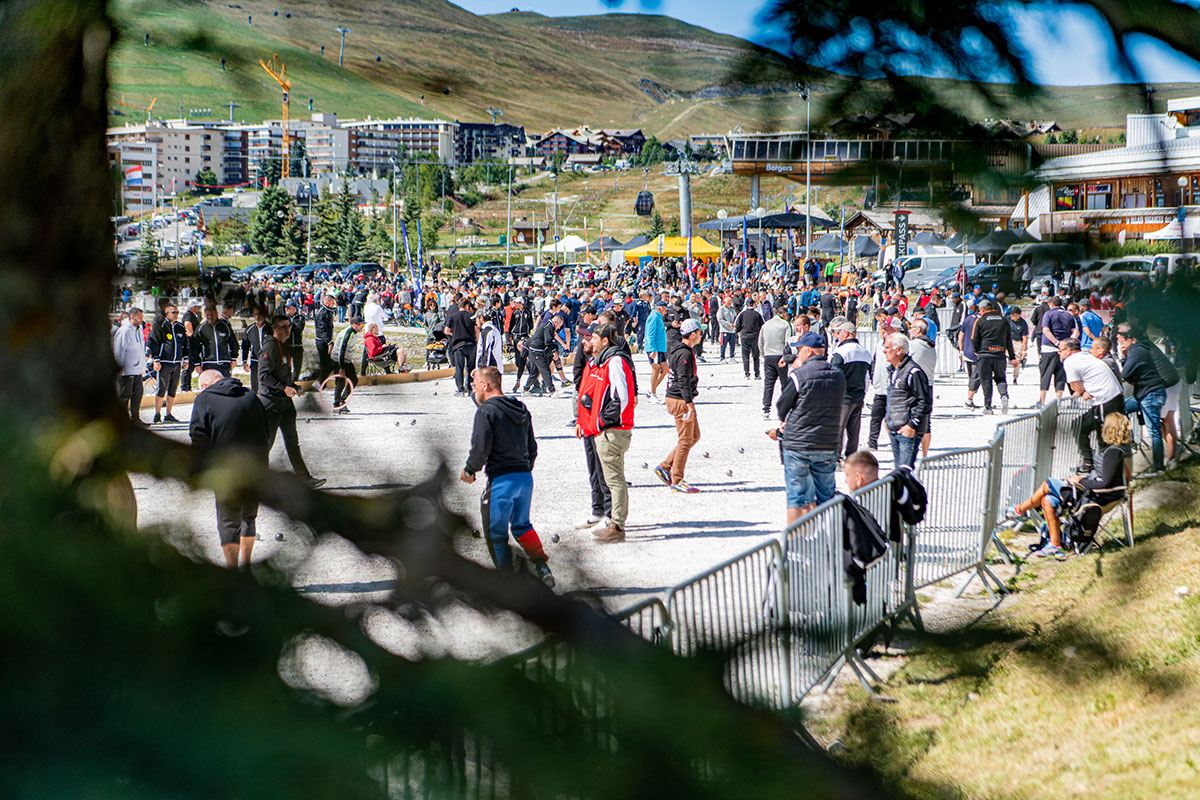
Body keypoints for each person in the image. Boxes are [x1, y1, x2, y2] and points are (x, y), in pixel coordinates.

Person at [460, 366, 554, 586]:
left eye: (475, 387)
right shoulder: (521, 408)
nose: (474, 392)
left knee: (496, 534)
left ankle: (507, 582)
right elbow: (532, 447)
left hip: (502, 481)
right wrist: (524, 467)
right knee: (522, 526)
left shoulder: (486, 412)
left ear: (486, 385)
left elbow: (480, 447)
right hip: (524, 479)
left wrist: (470, 469)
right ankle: (541, 566)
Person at [1004, 412, 1132, 558]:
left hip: (1095, 496)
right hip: (1094, 493)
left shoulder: (1113, 452)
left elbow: (1106, 482)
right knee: (1048, 501)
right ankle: (1054, 544)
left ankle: (1020, 510)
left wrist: (1080, 481)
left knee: (1048, 483)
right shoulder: (1119, 449)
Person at [189, 368, 269, 568]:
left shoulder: (204, 399)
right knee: (248, 517)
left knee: (228, 522)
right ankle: (247, 566)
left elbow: (198, 438)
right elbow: (266, 430)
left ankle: (233, 571)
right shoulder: (251, 395)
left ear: (205, 385)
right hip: (256, 465)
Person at [769, 331, 846, 521]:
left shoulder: (799, 375)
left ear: (809, 351)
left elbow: (781, 407)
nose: (798, 354)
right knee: (826, 496)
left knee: (797, 497)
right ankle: (827, 538)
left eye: (801, 350)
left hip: (799, 445)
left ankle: (796, 544)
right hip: (827, 442)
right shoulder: (838, 375)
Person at [577, 323, 636, 543]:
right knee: (610, 479)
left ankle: (617, 526)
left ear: (605, 341)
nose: (589, 340)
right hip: (604, 429)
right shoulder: (603, 361)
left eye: (593, 337)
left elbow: (623, 398)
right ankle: (614, 523)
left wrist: (601, 421)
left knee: (614, 480)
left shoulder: (615, 361)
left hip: (612, 430)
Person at [259, 315, 325, 489]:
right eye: (284, 326)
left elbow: (280, 374)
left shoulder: (282, 346)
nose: (288, 329)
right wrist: (283, 388)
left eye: (289, 326)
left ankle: (304, 478)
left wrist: (293, 387)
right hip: (271, 403)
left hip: (285, 404)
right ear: (275, 328)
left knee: (292, 442)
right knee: (266, 444)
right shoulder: (270, 346)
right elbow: (263, 376)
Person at [1060, 338, 1124, 474]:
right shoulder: (1085, 355)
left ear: (1069, 351)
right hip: (1109, 398)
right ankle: (1089, 462)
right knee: (1080, 425)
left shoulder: (1070, 361)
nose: (1059, 354)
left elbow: (1074, 384)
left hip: (1106, 400)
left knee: (1105, 438)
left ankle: (1106, 473)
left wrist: (1082, 391)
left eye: (1061, 351)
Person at [1115, 325, 1172, 474]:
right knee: (1121, 407)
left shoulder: (1137, 351)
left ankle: (1159, 467)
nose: (1118, 338)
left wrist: (1123, 357)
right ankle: (1130, 440)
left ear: (1132, 339)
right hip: (1146, 393)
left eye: (1121, 335)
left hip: (1151, 394)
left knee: (1154, 431)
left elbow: (1125, 373)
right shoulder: (1137, 350)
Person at [655, 318, 702, 493]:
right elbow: (682, 381)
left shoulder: (681, 350)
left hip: (679, 398)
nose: (701, 335)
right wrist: (689, 405)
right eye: (699, 332)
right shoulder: (684, 354)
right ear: (692, 334)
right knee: (685, 440)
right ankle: (677, 479)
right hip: (680, 400)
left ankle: (665, 466)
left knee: (694, 436)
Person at [883, 333, 932, 469]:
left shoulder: (913, 371)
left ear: (899, 350)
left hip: (908, 431)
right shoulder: (894, 370)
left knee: (904, 472)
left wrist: (912, 425)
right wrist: (887, 419)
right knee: (899, 471)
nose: (884, 350)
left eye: (887, 347)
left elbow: (925, 402)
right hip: (895, 428)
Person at [829, 319, 871, 458]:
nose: (837, 335)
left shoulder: (841, 351)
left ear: (846, 334)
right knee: (854, 431)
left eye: (839, 332)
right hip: (858, 396)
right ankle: (852, 456)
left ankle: (836, 457)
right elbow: (867, 377)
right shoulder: (865, 352)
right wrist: (863, 394)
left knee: (838, 429)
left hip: (843, 397)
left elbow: (834, 375)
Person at [971, 299, 1017, 415]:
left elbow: (974, 338)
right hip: (1000, 354)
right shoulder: (1003, 320)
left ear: (982, 310)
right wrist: (1012, 357)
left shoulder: (980, 320)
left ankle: (988, 406)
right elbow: (1008, 340)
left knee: (986, 380)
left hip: (985, 354)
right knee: (1000, 378)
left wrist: (976, 351)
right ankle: (1004, 395)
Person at [1037, 296, 1078, 407]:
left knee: (1045, 375)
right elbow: (1076, 332)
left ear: (1051, 304)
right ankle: (1058, 400)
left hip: (1049, 348)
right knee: (1061, 376)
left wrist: (1056, 343)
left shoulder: (1048, 314)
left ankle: (1042, 401)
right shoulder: (1069, 315)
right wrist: (1067, 343)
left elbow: (1046, 330)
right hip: (1064, 351)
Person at [149, 303, 186, 423]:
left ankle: (169, 414)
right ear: (167, 314)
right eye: (173, 312)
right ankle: (157, 413)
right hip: (164, 362)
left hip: (177, 363)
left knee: (173, 389)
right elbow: (153, 342)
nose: (176, 315)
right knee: (162, 388)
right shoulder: (160, 326)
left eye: (177, 312)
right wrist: (156, 359)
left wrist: (185, 359)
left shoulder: (180, 327)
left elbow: (185, 344)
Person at [113, 306, 148, 425]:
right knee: (125, 396)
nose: (141, 319)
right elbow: (119, 350)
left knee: (137, 395)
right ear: (132, 317)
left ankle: (136, 419)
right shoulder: (125, 331)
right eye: (139, 317)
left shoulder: (138, 329)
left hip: (137, 370)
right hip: (127, 371)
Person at [759, 307, 794, 420]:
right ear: (783, 314)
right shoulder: (785, 324)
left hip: (768, 356)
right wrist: (786, 357)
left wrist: (764, 355)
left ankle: (766, 409)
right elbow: (788, 342)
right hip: (781, 356)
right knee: (785, 384)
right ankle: (786, 409)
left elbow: (760, 342)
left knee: (768, 384)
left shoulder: (766, 324)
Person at [524, 310, 564, 397]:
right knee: (545, 370)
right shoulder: (549, 325)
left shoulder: (548, 324)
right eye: (559, 326)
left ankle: (525, 389)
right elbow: (548, 341)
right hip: (537, 351)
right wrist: (554, 351)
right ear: (556, 322)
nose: (558, 328)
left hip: (534, 350)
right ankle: (552, 391)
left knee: (535, 372)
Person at [445, 297, 477, 396]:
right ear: (467, 306)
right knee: (471, 367)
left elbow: (446, 331)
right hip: (471, 344)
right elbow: (477, 330)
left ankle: (460, 389)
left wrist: (454, 334)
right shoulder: (472, 316)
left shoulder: (452, 316)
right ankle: (470, 389)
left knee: (459, 368)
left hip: (458, 345)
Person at [194, 303, 237, 378]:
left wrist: (233, 358)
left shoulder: (225, 326)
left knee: (225, 386)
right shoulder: (201, 329)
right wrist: (197, 363)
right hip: (208, 363)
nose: (210, 317)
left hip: (224, 363)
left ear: (216, 313)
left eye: (212, 314)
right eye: (208, 315)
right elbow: (195, 347)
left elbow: (233, 343)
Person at [332, 315, 363, 413]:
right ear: (353, 325)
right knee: (340, 382)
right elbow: (341, 350)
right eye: (360, 324)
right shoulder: (348, 333)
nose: (362, 326)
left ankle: (342, 400)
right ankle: (336, 405)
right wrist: (341, 367)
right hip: (338, 360)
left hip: (346, 360)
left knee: (353, 380)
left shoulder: (354, 333)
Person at [240, 307, 269, 394]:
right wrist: (244, 361)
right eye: (256, 314)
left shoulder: (270, 328)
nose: (258, 317)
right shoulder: (249, 329)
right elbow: (245, 347)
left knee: (268, 384)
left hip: (269, 361)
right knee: (255, 386)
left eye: (260, 314)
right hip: (255, 361)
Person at [734, 298, 764, 380]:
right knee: (755, 356)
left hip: (745, 337)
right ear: (753, 305)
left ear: (746, 305)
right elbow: (762, 325)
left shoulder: (742, 314)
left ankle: (747, 373)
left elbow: (737, 326)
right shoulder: (757, 314)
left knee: (745, 356)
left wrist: (739, 332)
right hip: (755, 337)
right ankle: (757, 374)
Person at [313, 292, 337, 388]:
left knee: (328, 363)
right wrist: (329, 342)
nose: (334, 304)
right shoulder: (322, 313)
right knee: (325, 363)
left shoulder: (328, 311)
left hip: (326, 340)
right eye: (332, 302)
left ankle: (321, 381)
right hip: (322, 341)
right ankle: (320, 382)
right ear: (327, 302)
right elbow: (322, 329)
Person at [1007, 305, 1029, 383]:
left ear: (1018, 315)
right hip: (1007, 341)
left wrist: (1024, 350)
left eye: (1013, 314)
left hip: (1017, 342)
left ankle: (1015, 377)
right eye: (1011, 314)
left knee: (1017, 359)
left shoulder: (1023, 323)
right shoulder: (1007, 320)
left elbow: (1025, 337)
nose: (1011, 315)